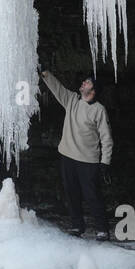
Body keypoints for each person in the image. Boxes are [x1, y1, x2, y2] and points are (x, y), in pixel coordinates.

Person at [39, 69, 113, 239]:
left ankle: (102, 229)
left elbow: (107, 138)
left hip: (88, 160)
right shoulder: (72, 100)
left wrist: (105, 162)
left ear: (93, 91)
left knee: (92, 195)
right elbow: (57, 89)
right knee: (71, 193)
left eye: (87, 83)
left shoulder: (99, 110)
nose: (83, 83)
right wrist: (46, 74)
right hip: (68, 156)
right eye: (84, 81)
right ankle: (77, 226)